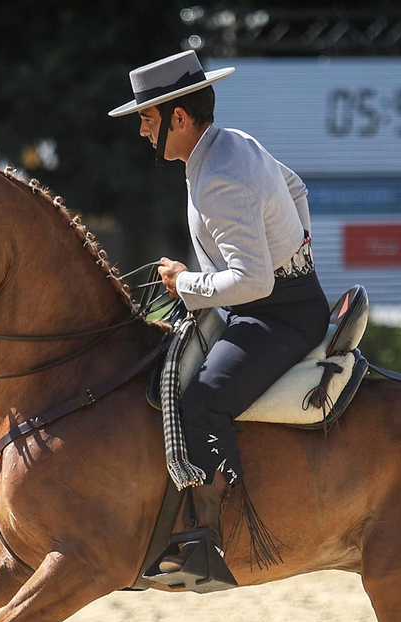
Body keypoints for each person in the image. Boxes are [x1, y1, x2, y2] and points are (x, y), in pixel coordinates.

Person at [109, 50, 331, 575]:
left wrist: (184, 281)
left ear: (178, 119)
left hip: (278, 316)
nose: (142, 131)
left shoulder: (217, 177)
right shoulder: (231, 144)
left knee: (203, 397)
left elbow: (252, 280)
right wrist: (293, 250)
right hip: (274, 304)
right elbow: (296, 189)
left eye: (147, 118)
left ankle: (210, 540)